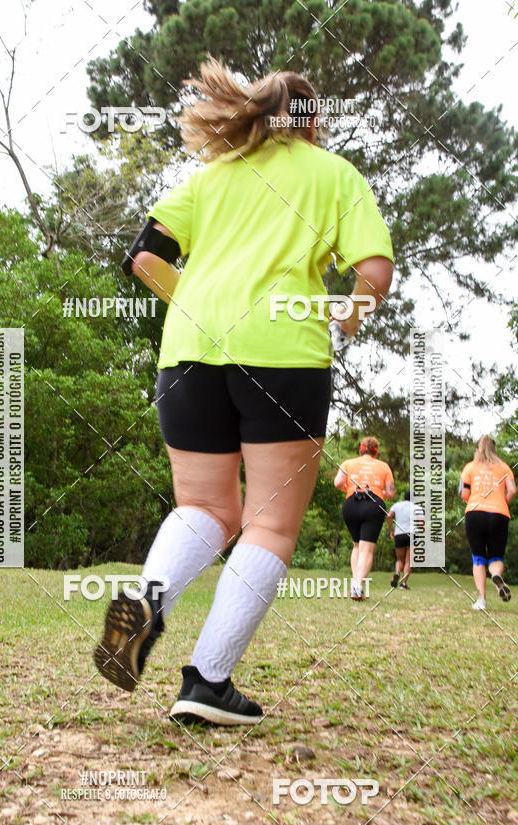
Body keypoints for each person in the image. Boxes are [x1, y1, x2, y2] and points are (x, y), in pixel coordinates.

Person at [93, 57, 394, 725]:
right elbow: (374, 270)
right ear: (311, 123)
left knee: (204, 507)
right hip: (283, 354)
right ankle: (206, 681)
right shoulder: (334, 175)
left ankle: (142, 605)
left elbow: (144, 255)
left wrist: (199, 305)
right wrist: (347, 316)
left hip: (189, 351)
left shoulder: (210, 175)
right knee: (269, 524)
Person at [334, 437, 395, 600]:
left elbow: (337, 482)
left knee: (356, 546)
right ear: (376, 451)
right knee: (366, 548)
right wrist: (378, 491)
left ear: (361, 450)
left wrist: (350, 488)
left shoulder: (348, 463)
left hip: (351, 503)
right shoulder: (384, 466)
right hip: (374, 504)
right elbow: (391, 492)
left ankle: (355, 585)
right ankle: (358, 586)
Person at [460, 435, 516, 610]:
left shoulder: (469, 467)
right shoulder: (505, 468)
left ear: (477, 450)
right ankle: (496, 575)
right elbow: (513, 490)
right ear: (495, 450)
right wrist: (502, 502)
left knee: (478, 557)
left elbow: (463, 493)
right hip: (499, 513)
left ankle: (481, 600)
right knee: (496, 556)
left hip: (475, 512)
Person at [387, 489, 424, 590]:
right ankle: (403, 584)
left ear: (404, 497)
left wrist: (391, 530)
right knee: (409, 561)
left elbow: (389, 516)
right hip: (412, 534)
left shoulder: (397, 505)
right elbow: (421, 524)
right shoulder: (417, 507)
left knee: (399, 559)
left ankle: (396, 572)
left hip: (399, 534)